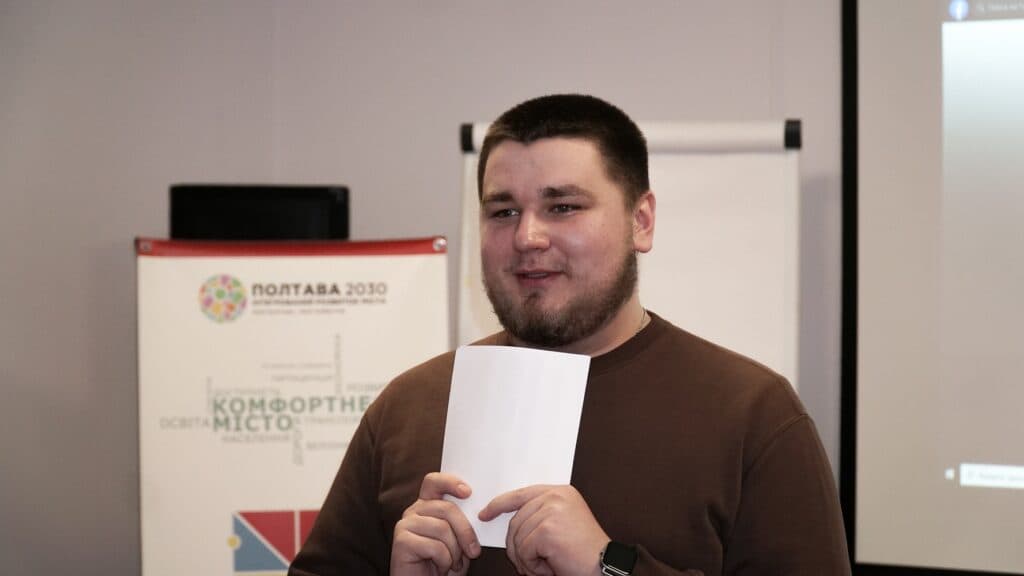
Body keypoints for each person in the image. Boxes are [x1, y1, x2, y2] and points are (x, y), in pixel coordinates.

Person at [289, 94, 851, 576]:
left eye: (563, 206)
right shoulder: (407, 408)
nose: (528, 237)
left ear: (641, 222)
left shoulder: (753, 415)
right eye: (503, 212)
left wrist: (610, 564)